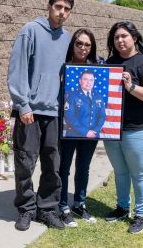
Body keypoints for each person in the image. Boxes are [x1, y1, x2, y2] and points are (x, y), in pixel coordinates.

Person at [7, 0, 74, 231]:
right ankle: (26, 209)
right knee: (25, 163)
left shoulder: (67, 39)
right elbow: (17, 70)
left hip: (56, 112)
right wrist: (23, 104)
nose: (62, 13)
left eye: (67, 9)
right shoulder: (30, 31)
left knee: (52, 165)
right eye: (58, 7)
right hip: (31, 112)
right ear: (49, 6)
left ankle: (47, 209)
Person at [103, 21, 143, 234]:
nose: (120, 40)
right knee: (120, 172)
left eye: (124, 36)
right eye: (116, 37)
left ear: (134, 38)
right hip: (111, 128)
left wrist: (131, 87)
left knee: (139, 173)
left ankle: (140, 215)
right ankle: (122, 208)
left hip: (139, 129)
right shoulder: (110, 63)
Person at [58, 28, 103, 227]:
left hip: (91, 134)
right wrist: (84, 130)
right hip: (69, 130)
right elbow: (68, 112)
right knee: (64, 168)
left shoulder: (98, 68)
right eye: (79, 43)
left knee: (83, 167)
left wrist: (94, 129)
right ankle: (62, 206)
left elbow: (102, 112)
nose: (83, 47)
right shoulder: (63, 67)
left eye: (87, 44)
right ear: (73, 44)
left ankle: (79, 203)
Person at [64, 69, 106, 138]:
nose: (88, 82)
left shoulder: (98, 96)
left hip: (93, 135)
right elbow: (69, 116)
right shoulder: (72, 95)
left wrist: (95, 131)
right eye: (85, 79)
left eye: (91, 80)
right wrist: (85, 132)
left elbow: (102, 116)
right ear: (80, 81)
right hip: (74, 135)